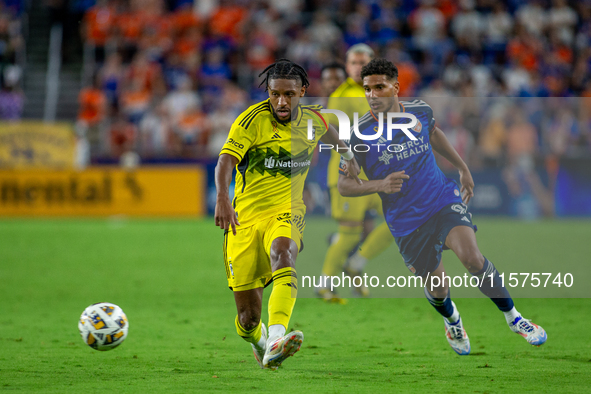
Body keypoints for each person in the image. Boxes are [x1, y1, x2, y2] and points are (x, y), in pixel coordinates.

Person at [337, 58, 547, 355]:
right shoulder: (358, 134)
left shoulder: (420, 110)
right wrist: (380, 185)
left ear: (395, 87)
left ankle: (515, 318)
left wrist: (462, 168)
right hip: (406, 221)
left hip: (440, 199)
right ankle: (453, 320)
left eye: (379, 87)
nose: (372, 95)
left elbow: (434, 134)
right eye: (367, 89)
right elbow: (345, 185)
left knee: (472, 258)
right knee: (438, 288)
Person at [214, 59, 360, 369]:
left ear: (302, 92)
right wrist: (223, 198)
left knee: (284, 252)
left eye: (290, 94)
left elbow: (334, 136)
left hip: (287, 211)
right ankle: (261, 341)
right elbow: (225, 161)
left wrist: (350, 158)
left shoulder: (314, 121)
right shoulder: (250, 121)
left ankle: (278, 337)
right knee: (248, 317)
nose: (282, 102)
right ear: (267, 92)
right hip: (245, 219)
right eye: (275, 94)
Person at [318, 44, 394, 300]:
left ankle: (356, 264)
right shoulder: (342, 95)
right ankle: (325, 284)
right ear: (347, 65)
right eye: (353, 62)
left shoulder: (375, 93)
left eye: (363, 62)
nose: (358, 67)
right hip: (347, 174)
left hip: (374, 174)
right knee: (350, 233)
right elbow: (333, 134)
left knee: (400, 219)